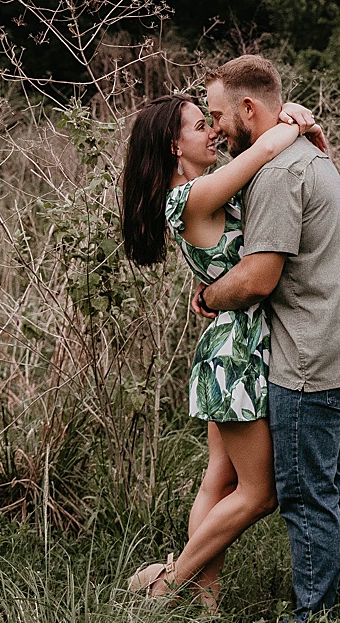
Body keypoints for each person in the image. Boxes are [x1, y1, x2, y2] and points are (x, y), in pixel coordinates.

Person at [119, 90, 325, 608]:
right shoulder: (190, 197)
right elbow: (260, 153)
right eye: (198, 126)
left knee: (219, 478)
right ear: (173, 145)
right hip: (235, 354)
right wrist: (293, 119)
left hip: (228, 343)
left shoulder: (201, 190)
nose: (212, 132)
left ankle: (205, 605)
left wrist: (294, 124)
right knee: (260, 494)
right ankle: (171, 584)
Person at [195, 55, 340, 620]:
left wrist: (207, 297)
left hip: (307, 360)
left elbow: (257, 278)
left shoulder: (276, 174)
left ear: (250, 109)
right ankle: (338, 607)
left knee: (304, 497)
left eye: (219, 115)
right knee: (326, 488)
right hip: (338, 348)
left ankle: (315, 615)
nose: (216, 127)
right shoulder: (306, 153)